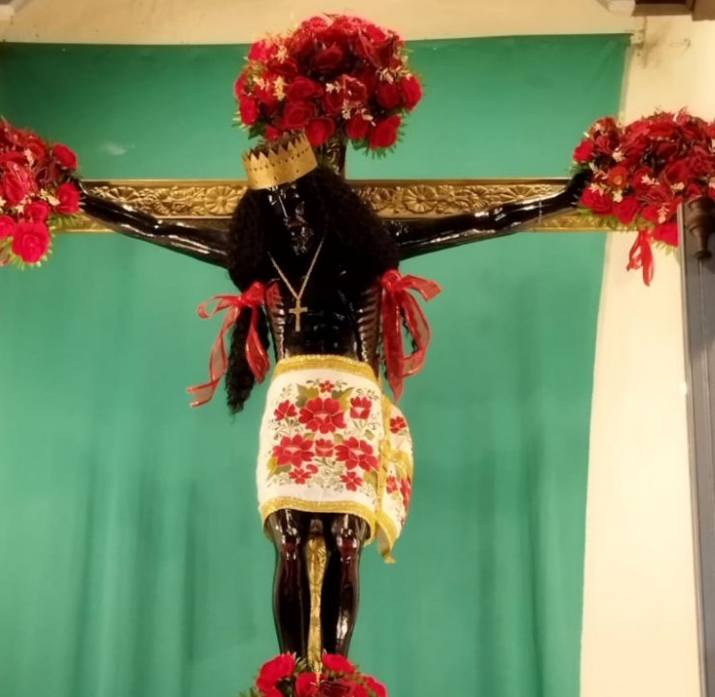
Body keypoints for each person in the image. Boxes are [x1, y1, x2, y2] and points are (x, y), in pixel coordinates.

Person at [74, 130, 592, 657]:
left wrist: (563, 199)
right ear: (260, 209)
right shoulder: (259, 258)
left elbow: (479, 221)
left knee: (348, 538)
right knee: (289, 537)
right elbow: (159, 228)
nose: (290, 212)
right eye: (275, 202)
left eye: (297, 197)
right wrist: (86, 201)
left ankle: (338, 677)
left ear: (321, 193)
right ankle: (293, 670)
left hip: (352, 404)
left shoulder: (366, 248)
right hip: (292, 407)